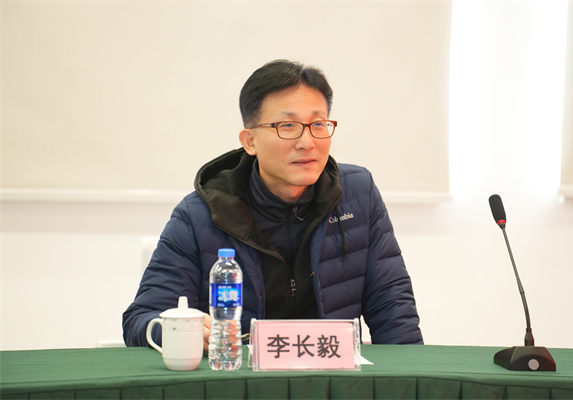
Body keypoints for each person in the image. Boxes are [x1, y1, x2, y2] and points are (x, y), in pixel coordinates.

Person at [123, 60, 423, 349]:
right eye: (288, 125)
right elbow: (142, 319)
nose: (307, 142)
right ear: (250, 141)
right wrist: (175, 329)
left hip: (331, 373)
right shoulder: (200, 214)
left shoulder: (357, 194)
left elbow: (395, 314)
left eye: (318, 124)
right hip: (239, 376)